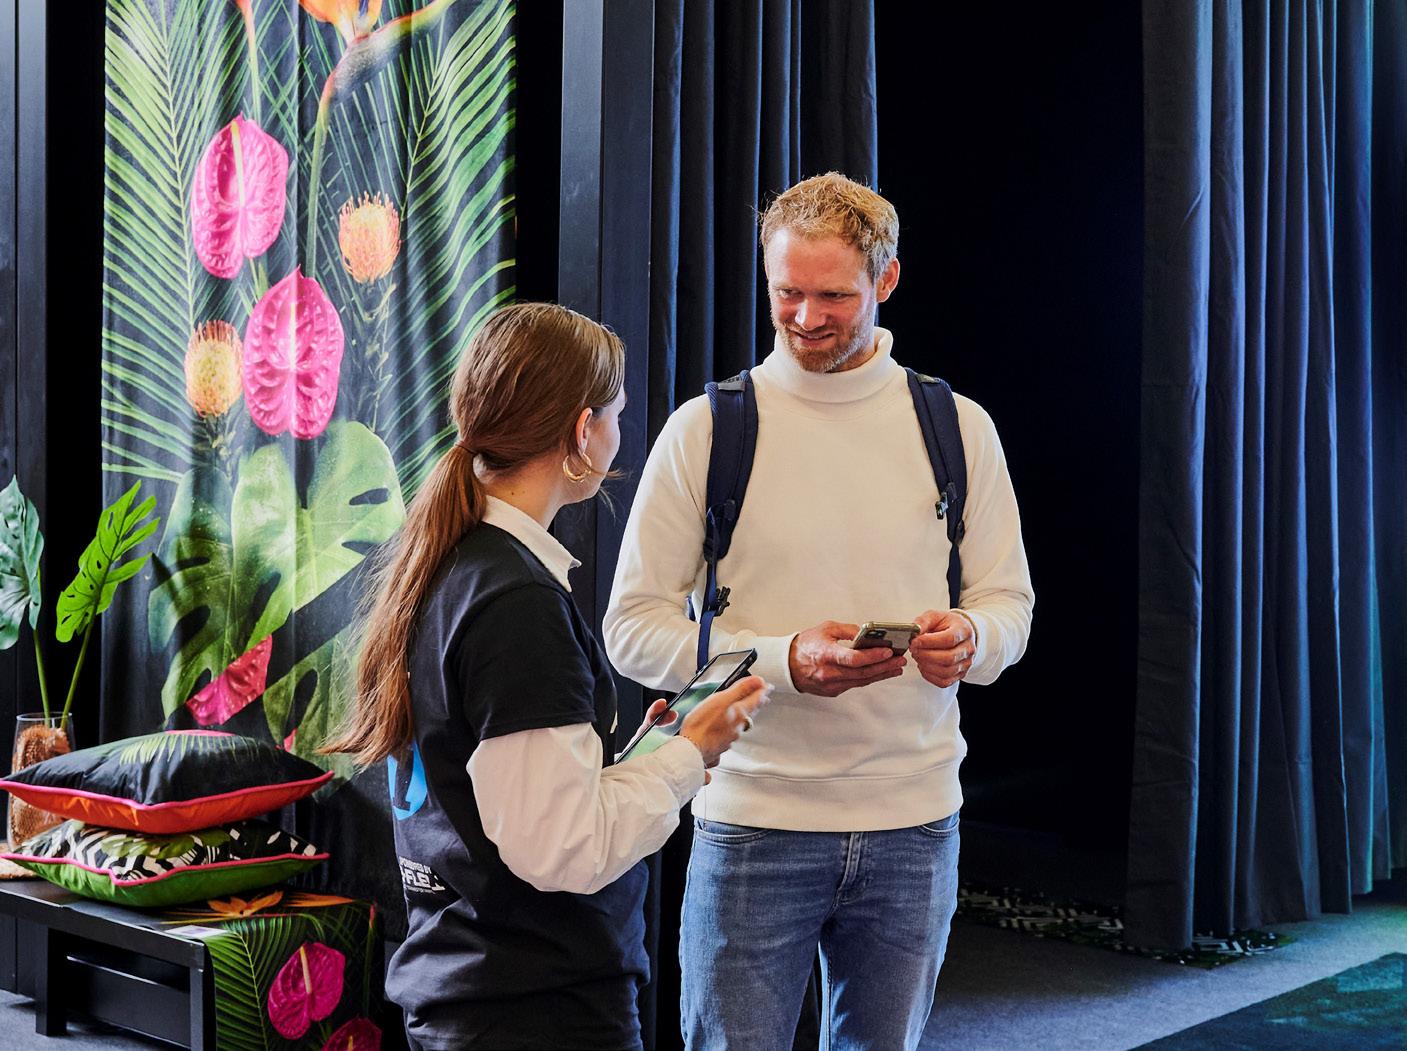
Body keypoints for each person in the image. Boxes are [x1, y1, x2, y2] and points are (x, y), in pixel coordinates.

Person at [603, 173, 1034, 1050]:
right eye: (785, 293)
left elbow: (1007, 605)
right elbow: (632, 629)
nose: (804, 318)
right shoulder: (706, 430)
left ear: (887, 279)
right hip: (752, 820)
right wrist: (783, 660)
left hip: (914, 822)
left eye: (833, 296)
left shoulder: (957, 426)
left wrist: (971, 638)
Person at [327, 302, 770, 1051]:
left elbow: (506, 795)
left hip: (475, 988)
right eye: (616, 415)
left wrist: (642, 757)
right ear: (581, 430)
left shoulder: (455, 563)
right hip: (532, 1005)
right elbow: (562, 849)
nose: (620, 433)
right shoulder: (516, 601)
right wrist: (688, 756)